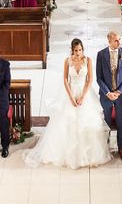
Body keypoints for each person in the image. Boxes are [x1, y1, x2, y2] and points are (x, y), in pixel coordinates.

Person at [24, 39, 111, 169]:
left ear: (83, 49)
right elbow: (65, 80)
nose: (78, 53)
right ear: (72, 50)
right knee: (67, 123)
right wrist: (71, 97)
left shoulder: (88, 60)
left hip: (84, 94)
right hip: (70, 93)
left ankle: (86, 155)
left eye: (80, 50)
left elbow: (90, 80)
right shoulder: (67, 61)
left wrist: (82, 96)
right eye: (75, 50)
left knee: (86, 124)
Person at [96, 31, 122, 162]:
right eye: (116, 40)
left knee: (120, 122)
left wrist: (119, 91)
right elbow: (99, 78)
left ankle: (121, 148)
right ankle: (105, 147)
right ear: (109, 41)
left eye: (119, 40)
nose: (119, 42)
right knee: (105, 122)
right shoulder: (101, 55)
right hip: (106, 96)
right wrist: (108, 93)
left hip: (121, 95)